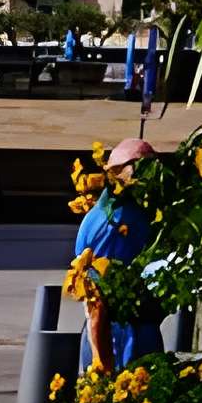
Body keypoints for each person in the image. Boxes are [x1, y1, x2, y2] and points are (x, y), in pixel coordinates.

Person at [72, 138, 165, 369]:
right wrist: (101, 360)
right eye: (145, 169)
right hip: (118, 340)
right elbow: (96, 298)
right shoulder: (115, 221)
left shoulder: (128, 212)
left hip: (135, 331)